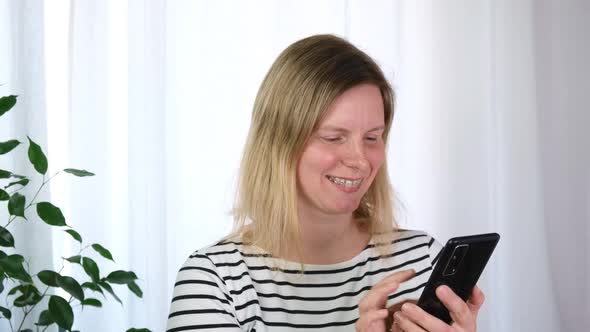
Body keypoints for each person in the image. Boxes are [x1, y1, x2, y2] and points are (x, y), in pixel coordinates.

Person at [166, 34, 485, 332]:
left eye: (372, 137)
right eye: (334, 137)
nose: (361, 160)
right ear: (280, 142)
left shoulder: (423, 261)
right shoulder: (215, 281)